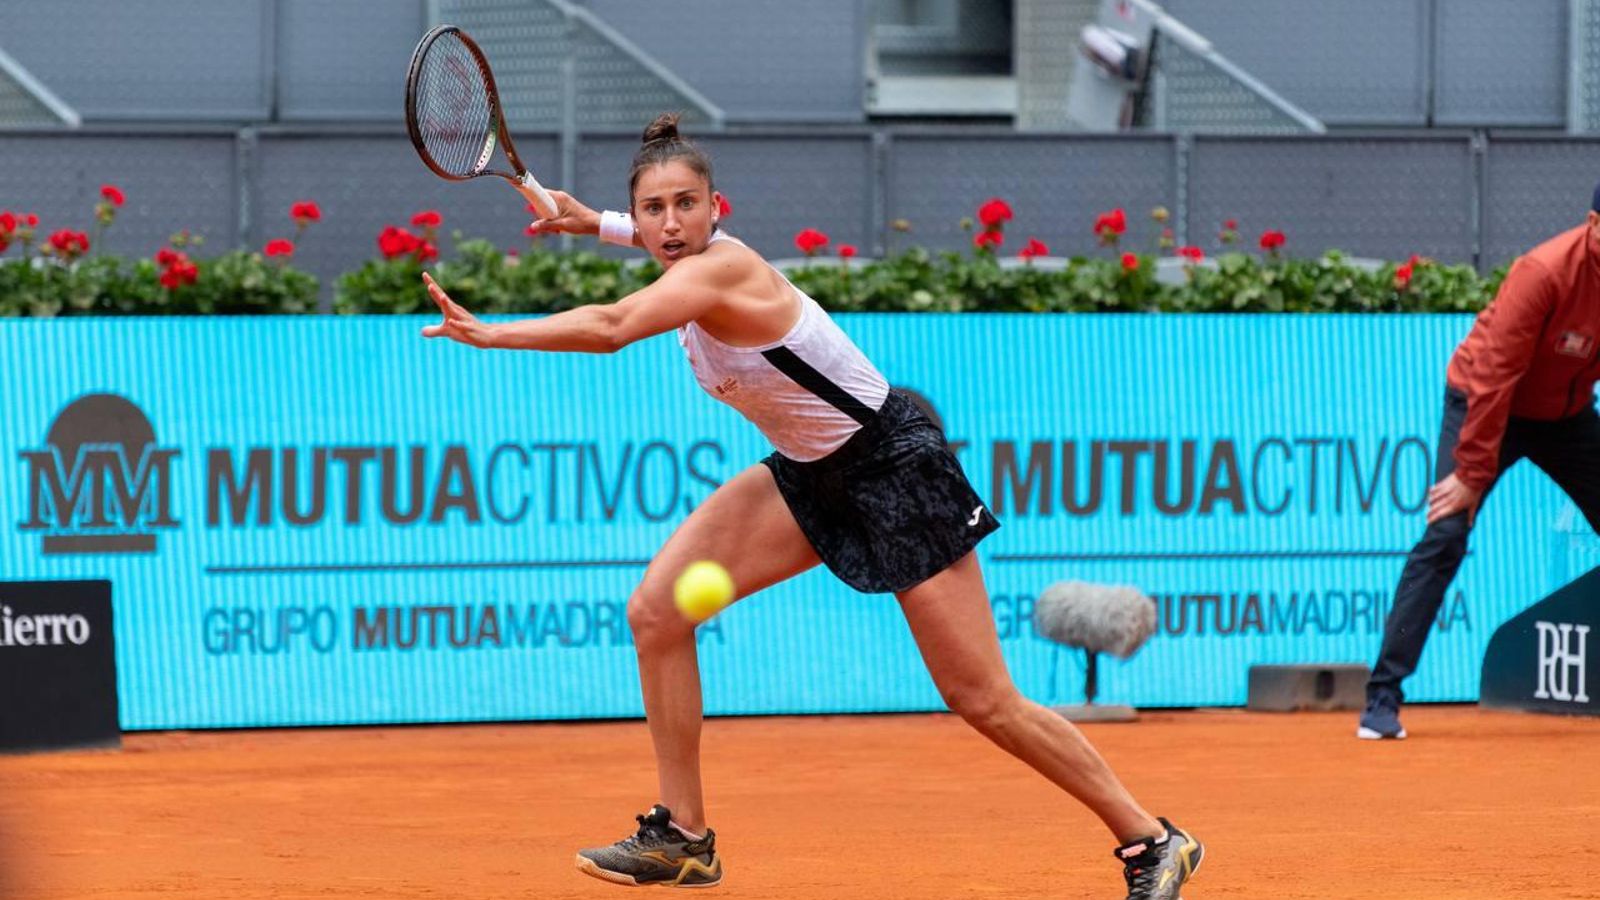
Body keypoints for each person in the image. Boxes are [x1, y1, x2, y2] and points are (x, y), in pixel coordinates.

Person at [420, 112, 1203, 898]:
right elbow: (656, 244)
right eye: (654, 208)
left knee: (983, 700)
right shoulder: (679, 254)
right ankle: (684, 838)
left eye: (687, 203)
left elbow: (614, 324)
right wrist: (594, 222)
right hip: (807, 474)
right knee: (657, 612)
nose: (671, 222)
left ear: (717, 208)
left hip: (893, 470)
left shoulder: (721, 271)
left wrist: (492, 335)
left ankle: (1151, 839)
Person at [1360, 187, 1600, 740]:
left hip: (1566, 416)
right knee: (1445, 534)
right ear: (1593, 223)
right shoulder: (1543, 273)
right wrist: (1471, 474)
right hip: (1487, 403)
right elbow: (1494, 375)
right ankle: (1382, 698)